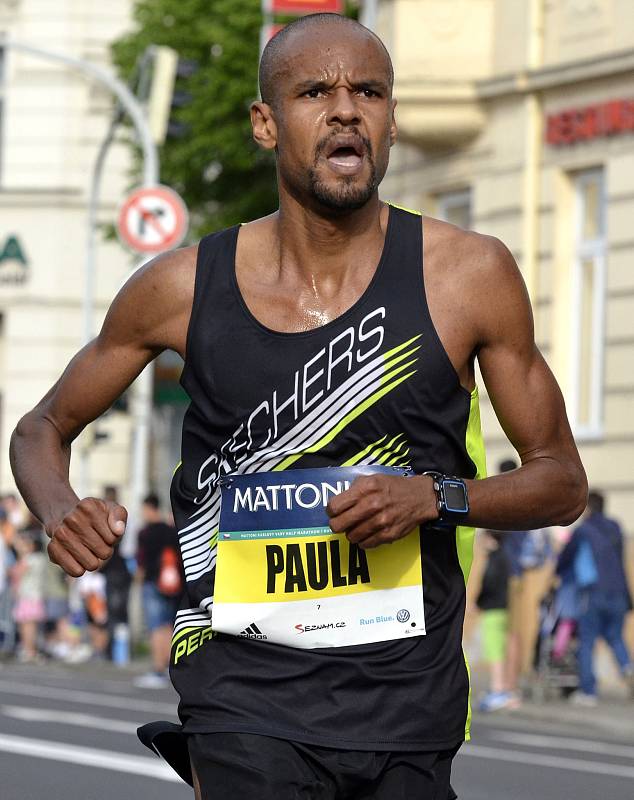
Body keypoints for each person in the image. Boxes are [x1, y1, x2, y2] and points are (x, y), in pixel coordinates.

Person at [9, 12, 587, 799]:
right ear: (265, 123)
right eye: (315, 90)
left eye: (370, 92)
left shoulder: (468, 276)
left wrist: (436, 497)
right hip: (241, 693)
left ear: (391, 121)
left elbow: (560, 481)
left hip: (406, 702)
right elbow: (43, 426)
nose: (347, 108)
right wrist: (58, 510)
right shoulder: (181, 286)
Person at [557, 490, 634, 705]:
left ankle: (588, 692)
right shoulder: (616, 528)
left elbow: (564, 560)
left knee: (587, 641)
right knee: (616, 637)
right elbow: (622, 561)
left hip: (592, 592)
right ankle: (628, 668)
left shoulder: (583, 531)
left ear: (588, 508)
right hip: (618, 592)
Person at [135, 493, 183, 688]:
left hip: (152, 581)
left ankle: (157, 669)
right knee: (168, 626)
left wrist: (138, 580)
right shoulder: (170, 530)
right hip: (172, 584)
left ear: (148, 508)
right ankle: (171, 669)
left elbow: (141, 561)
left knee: (155, 627)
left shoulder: (145, 533)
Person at [475, 530, 515, 712]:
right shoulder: (505, 557)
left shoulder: (494, 558)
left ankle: (498, 690)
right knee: (498, 649)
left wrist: (478, 602)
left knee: (494, 651)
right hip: (502, 609)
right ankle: (499, 689)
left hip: (493, 609)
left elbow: (489, 583)